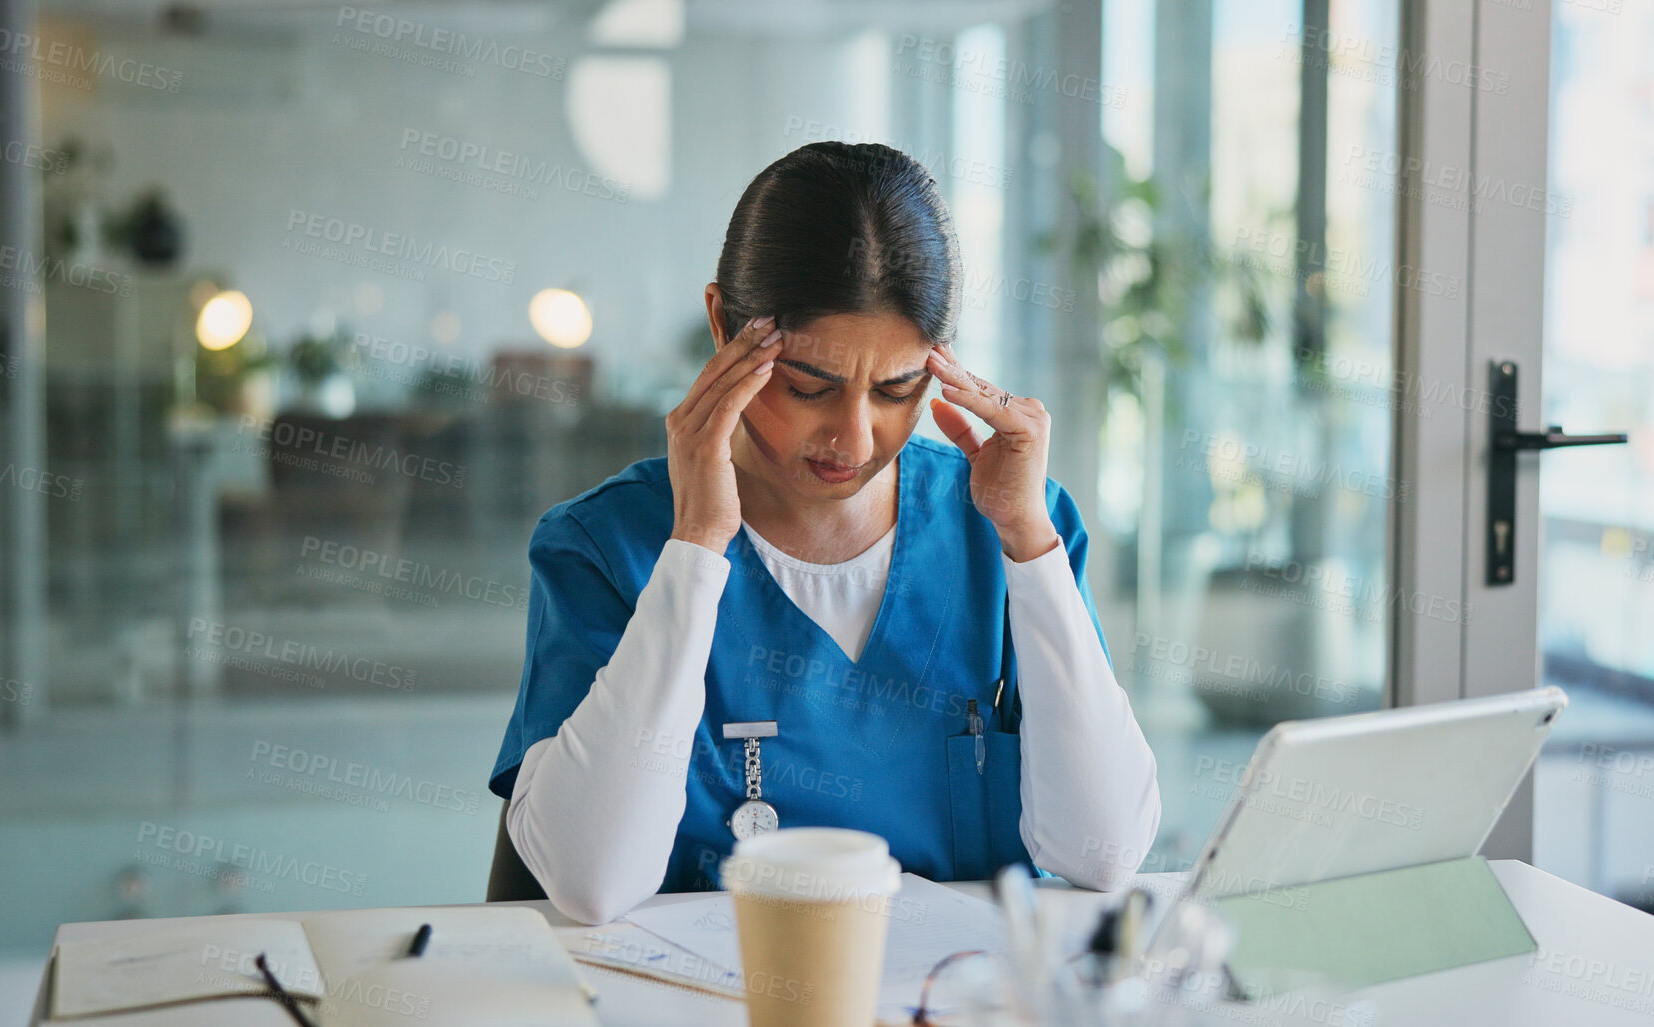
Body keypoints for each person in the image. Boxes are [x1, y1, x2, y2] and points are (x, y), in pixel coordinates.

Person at [488, 141, 1160, 925]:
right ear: (721, 325)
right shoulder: (605, 546)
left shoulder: (1008, 524)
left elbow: (1105, 850)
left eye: (896, 387)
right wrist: (698, 544)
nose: (853, 437)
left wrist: (1030, 548)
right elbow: (592, 880)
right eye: (808, 385)